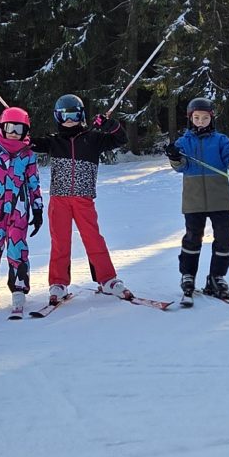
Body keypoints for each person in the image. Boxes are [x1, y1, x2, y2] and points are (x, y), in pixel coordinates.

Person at [34, 93, 133, 305]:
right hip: (59, 199)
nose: (70, 120)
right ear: (58, 117)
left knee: (93, 238)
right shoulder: (53, 141)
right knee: (60, 241)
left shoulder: (93, 139)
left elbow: (120, 139)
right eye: (65, 115)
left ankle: (107, 279)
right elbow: (27, 144)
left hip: (83, 199)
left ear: (81, 115)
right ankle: (58, 282)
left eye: (74, 114)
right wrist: (18, 130)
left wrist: (109, 125)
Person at [163, 95, 229, 303]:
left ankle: (216, 277)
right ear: (190, 119)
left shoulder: (221, 140)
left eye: (205, 118)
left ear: (212, 118)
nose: (200, 122)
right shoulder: (184, 142)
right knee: (193, 238)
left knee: (225, 237)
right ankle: (188, 275)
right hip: (194, 201)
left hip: (220, 199)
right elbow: (180, 167)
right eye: (196, 118)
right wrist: (174, 157)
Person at [0, 106, 44, 316]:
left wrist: (37, 209)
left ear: (25, 131)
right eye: (10, 127)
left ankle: (19, 290)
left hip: (18, 212)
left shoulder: (28, 155)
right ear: (2, 127)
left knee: (17, 249)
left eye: (18, 129)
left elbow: (34, 184)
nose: (13, 132)